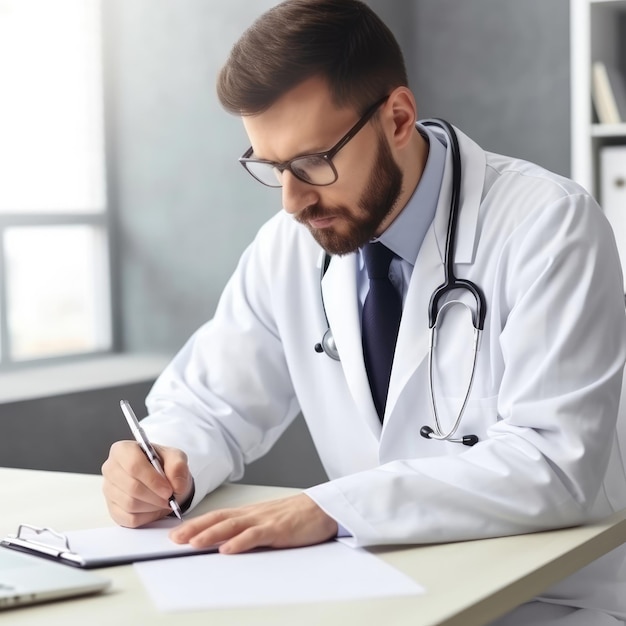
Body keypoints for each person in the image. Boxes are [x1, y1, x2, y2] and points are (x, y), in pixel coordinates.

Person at [101, 1, 626, 624]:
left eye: (312, 163)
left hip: (545, 599)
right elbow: (213, 404)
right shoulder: (289, 247)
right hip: (380, 589)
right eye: (271, 168)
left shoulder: (548, 226)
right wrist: (166, 462)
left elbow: (552, 462)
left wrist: (331, 509)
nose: (293, 201)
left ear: (398, 117)